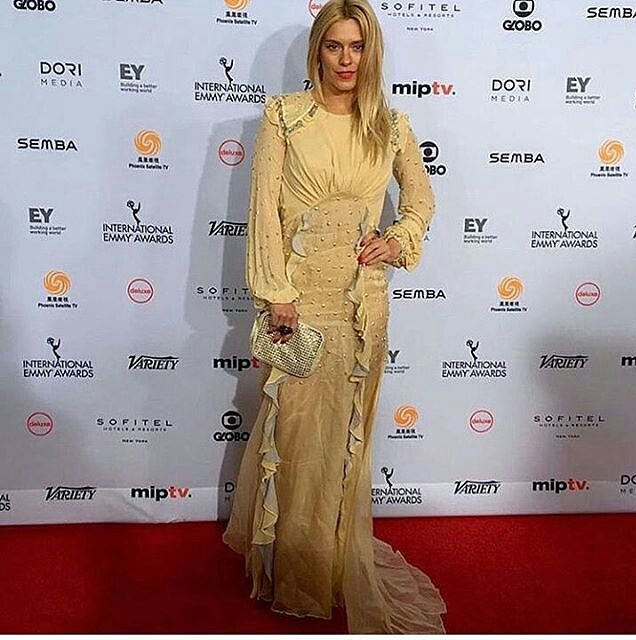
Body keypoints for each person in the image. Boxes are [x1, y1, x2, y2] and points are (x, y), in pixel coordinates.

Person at [223, 0, 446, 633]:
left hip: (362, 304)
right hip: (301, 301)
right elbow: (264, 211)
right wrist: (276, 295)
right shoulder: (284, 117)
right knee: (295, 440)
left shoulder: (389, 124)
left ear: (370, 52)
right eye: (334, 46)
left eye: (357, 46)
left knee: (345, 442)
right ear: (316, 51)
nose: (346, 60)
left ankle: (332, 565)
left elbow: (421, 199)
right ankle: (290, 571)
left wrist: (397, 239)